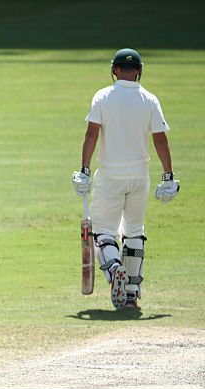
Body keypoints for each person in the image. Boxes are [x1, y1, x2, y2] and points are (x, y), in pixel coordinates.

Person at [72, 48, 179, 310]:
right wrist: (168, 177)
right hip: (139, 176)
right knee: (134, 232)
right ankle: (130, 294)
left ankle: (114, 268)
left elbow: (91, 136)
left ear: (114, 70)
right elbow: (160, 141)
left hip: (110, 175)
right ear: (139, 71)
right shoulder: (149, 100)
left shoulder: (103, 96)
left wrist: (84, 169)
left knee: (103, 232)